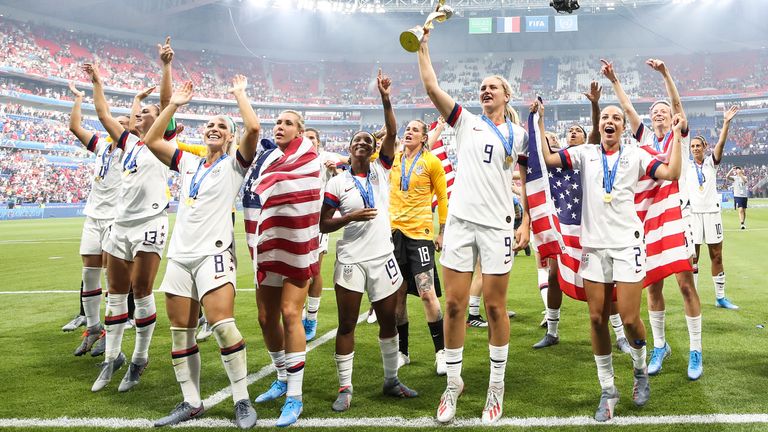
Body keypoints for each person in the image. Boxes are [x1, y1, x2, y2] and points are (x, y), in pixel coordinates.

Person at [538, 88, 683, 420]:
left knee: (631, 319)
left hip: (627, 245)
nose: (611, 121)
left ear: (624, 127)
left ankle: (640, 369)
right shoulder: (586, 152)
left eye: (617, 118)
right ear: (599, 124)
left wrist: (677, 137)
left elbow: (672, 173)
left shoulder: (637, 155)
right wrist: (540, 119)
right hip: (593, 248)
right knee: (596, 318)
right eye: (605, 117)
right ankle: (608, 390)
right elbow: (548, 159)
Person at [417, 28, 530, 425]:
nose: (485, 91)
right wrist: (424, 45)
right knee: (453, 306)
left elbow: (528, 180)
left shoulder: (519, 134)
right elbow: (431, 87)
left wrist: (527, 221)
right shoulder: (465, 121)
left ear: (506, 95)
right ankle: (453, 384)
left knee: (496, 307)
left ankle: (495, 391)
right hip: (462, 223)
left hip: (497, 226)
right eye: (481, 87)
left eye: (492, 87)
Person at [143, 77, 259, 428]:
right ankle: (191, 402)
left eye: (221, 127)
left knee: (223, 326)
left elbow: (252, 126)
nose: (213, 128)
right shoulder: (189, 163)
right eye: (209, 124)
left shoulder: (235, 165)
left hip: (215, 253)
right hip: (180, 255)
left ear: (229, 137)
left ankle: (241, 399)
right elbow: (150, 140)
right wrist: (174, 104)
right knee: (181, 332)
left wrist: (239, 93)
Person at [319, 69, 418, 412]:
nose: (363, 143)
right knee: (346, 324)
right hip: (350, 260)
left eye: (368, 142)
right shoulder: (336, 183)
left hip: (382, 257)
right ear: (349, 150)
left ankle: (391, 380)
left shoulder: (383, 171)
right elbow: (323, 224)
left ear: (375, 150)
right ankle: (345, 388)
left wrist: (386, 98)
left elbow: (392, 131)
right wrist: (349, 218)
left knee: (388, 322)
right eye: (357, 141)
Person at [87, 37, 176, 393]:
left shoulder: (162, 142)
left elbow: (168, 103)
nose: (141, 115)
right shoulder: (127, 143)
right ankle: (112, 358)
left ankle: (139, 358)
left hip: (150, 223)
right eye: (140, 113)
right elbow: (104, 115)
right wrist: (97, 84)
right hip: (120, 225)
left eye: (148, 114)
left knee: (141, 292)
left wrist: (166, 66)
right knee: (115, 293)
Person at [605, 58, 703, 380]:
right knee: (653, 285)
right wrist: (615, 79)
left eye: (663, 111)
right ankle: (660, 345)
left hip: (679, 215)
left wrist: (665, 74)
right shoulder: (645, 139)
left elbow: (676, 105)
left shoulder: (679, 135)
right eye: (655, 112)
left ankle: (695, 349)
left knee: (686, 284)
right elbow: (628, 108)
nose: (660, 113)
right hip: (650, 219)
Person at [534, 82, 630, 354]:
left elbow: (597, 135)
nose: (575, 133)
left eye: (579, 130)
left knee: (607, 281)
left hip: (593, 226)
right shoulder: (563, 159)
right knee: (554, 276)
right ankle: (552, 330)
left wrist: (595, 105)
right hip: (564, 227)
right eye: (570, 131)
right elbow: (544, 155)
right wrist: (539, 121)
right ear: (566, 139)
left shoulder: (590, 154)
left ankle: (620, 334)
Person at [247, 111, 322, 427]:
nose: (280, 126)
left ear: (300, 131)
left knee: (291, 313)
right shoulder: (265, 158)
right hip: (269, 243)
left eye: (288, 123)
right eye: (277, 122)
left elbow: (306, 195)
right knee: (265, 318)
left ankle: (295, 395)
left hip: (297, 244)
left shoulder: (310, 158)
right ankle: (280, 376)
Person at [66, 81, 126, 357]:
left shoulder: (131, 150)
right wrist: (78, 98)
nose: (118, 124)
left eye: (124, 122)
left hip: (115, 217)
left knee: (110, 277)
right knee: (88, 273)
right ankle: (92, 328)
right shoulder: (102, 146)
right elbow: (75, 127)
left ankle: (112, 333)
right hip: (93, 217)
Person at [390, 114, 449, 375]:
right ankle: (403, 352)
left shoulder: (432, 162)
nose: (409, 132)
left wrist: (442, 231)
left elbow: (443, 198)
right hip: (394, 235)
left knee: (427, 293)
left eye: (415, 129)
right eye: (408, 128)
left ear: (424, 137)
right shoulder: (394, 159)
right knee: (398, 296)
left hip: (421, 236)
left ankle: (442, 353)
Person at [690, 106, 740, 310]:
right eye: (692, 146)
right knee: (692, 258)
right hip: (692, 215)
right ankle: (692, 297)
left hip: (712, 213)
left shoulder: (711, 163)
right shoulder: (685, 166)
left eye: (698, 145)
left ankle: (720, 297)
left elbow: (721, 143)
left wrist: (726, 122)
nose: (695, 149)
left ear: (705, 146)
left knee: (717, 255)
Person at [302, 127, 345, 341]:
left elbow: (349, 161)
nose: (308, 141)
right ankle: (300, 313)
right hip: (296, 222)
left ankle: (311, 317)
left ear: (318, 142)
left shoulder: (326, 157)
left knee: (314, 270)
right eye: (305, 137)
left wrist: (336, 169)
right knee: (297, 270)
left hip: (317, 222)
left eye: (312, 138)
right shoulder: (294, 158)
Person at [727, 166, 749, 230]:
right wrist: (731, 170)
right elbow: (727, 176)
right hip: (737, 196)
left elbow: (745, 181)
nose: (738, 170)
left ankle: (743, 222)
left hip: (744, 196)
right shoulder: (735, 178)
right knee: (740, 209)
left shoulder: (744, 177)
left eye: (739, 169)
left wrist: (740, 174)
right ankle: (741, 223)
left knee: (744, 211)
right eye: (737, 170)